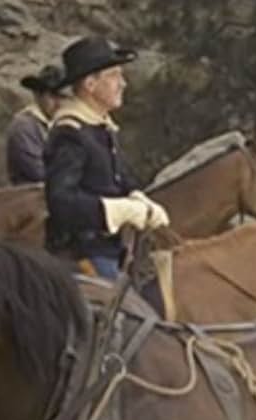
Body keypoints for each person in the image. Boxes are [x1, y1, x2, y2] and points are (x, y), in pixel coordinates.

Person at [44, 36, 169, 280]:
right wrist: (118, 210)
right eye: (113, 76)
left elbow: (118, 177)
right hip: (84, 253)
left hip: (112, 249)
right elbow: (60, 201)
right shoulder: (70, 132)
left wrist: (138, 197)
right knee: (132, 315)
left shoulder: (100, 128)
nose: (122, 84)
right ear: (90, 84)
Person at [6, 64, 66, 184]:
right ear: (38, 95)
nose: (59, 103)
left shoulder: (60, 123)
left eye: (62, 97)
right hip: (32, 198)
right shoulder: (23, 127)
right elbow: (39, 172)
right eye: (53, 96)